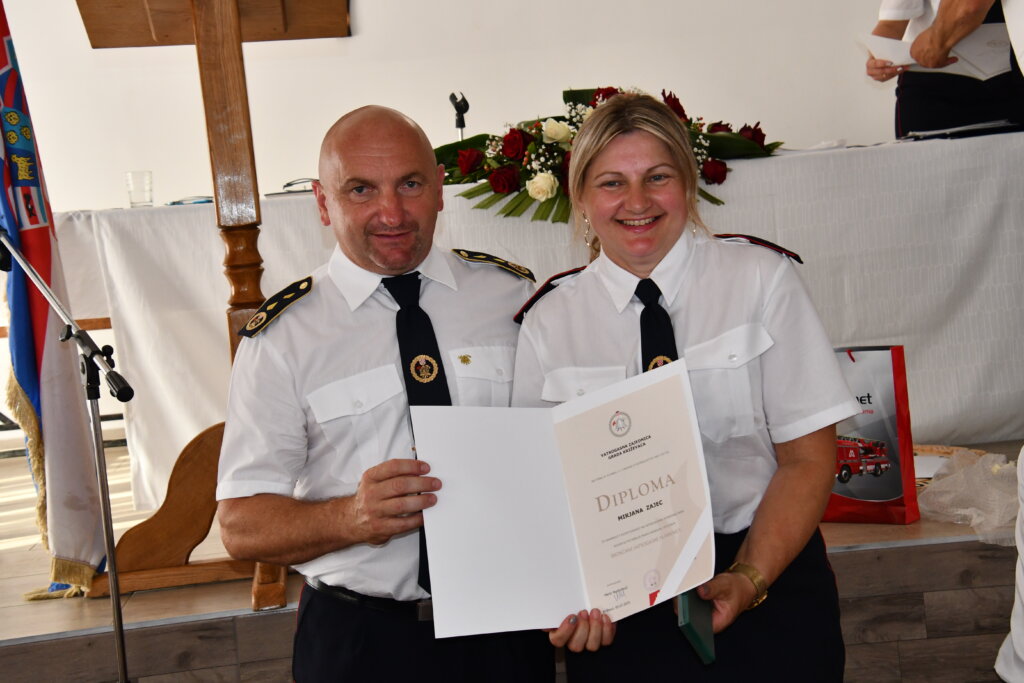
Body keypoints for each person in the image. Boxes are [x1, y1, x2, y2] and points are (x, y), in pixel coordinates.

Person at [511, 93, 861, 680]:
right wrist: (568, 596)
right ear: (580, 199)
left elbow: (807, 458)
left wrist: (749, 576)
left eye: (657, 177)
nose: (637, 202)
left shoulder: (760, 279)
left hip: (764, 571)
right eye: (612, 183)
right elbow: (538, 490)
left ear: (688, 183)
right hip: (621, 608)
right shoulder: (549, 321)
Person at [216, 105, 551, 682]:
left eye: (410, 184)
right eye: (361, 190)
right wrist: (351, 517)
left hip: (507, 628)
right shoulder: (284, 338)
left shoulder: (510, 296)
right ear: (323, 202)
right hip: (362, 641)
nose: (391, 213)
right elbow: (240, 526)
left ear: (440, 188)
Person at [867, 0, 1024, 136]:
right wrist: (879, 58)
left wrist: (936, 42)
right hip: (934, 85)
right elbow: (891, 23)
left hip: (1008, 80)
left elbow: (971, 6)